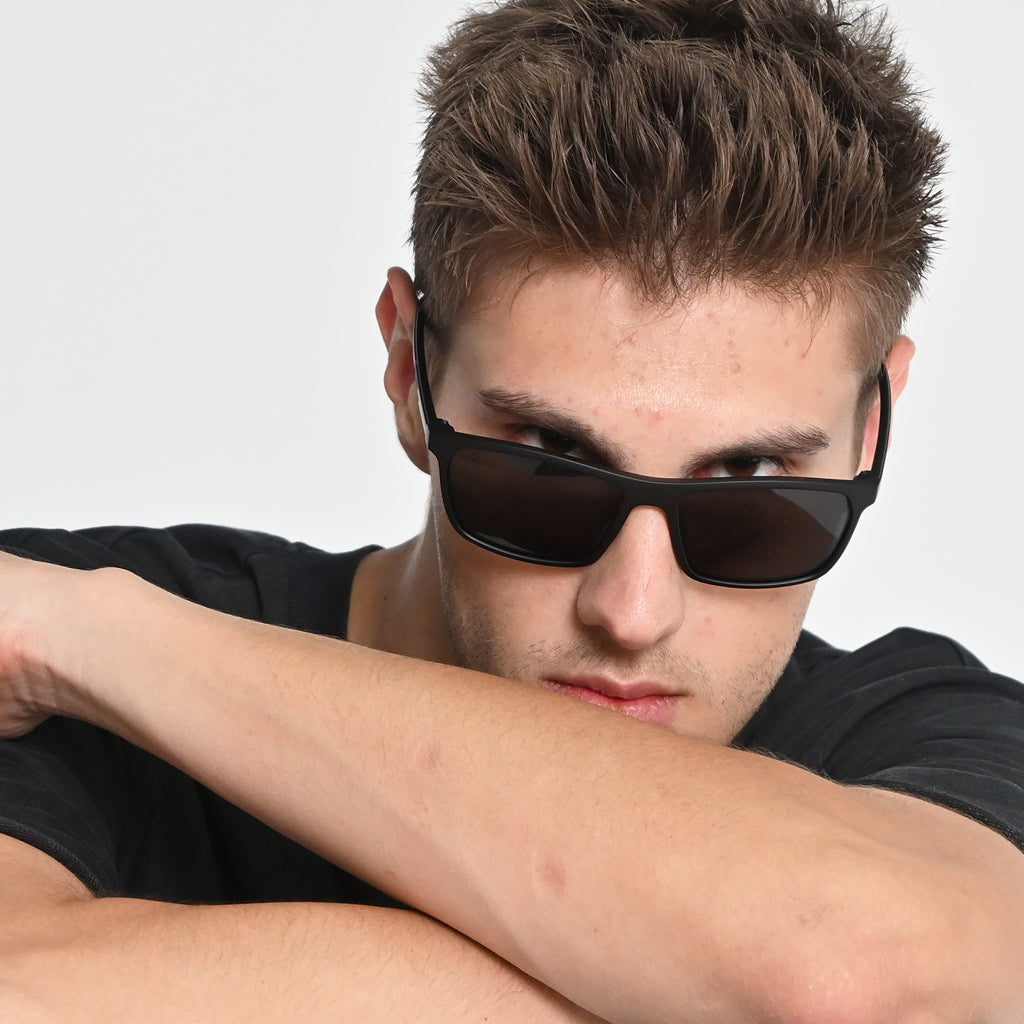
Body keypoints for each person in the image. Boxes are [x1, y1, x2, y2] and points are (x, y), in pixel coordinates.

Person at [1, 0, 1023, 1021]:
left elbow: (860, 978)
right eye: (550, 468)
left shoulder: (52, 637)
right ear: (410, 373)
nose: (632, 611)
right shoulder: (61, 695)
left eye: (750, 487)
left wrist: (100, 641)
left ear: (872, 429)